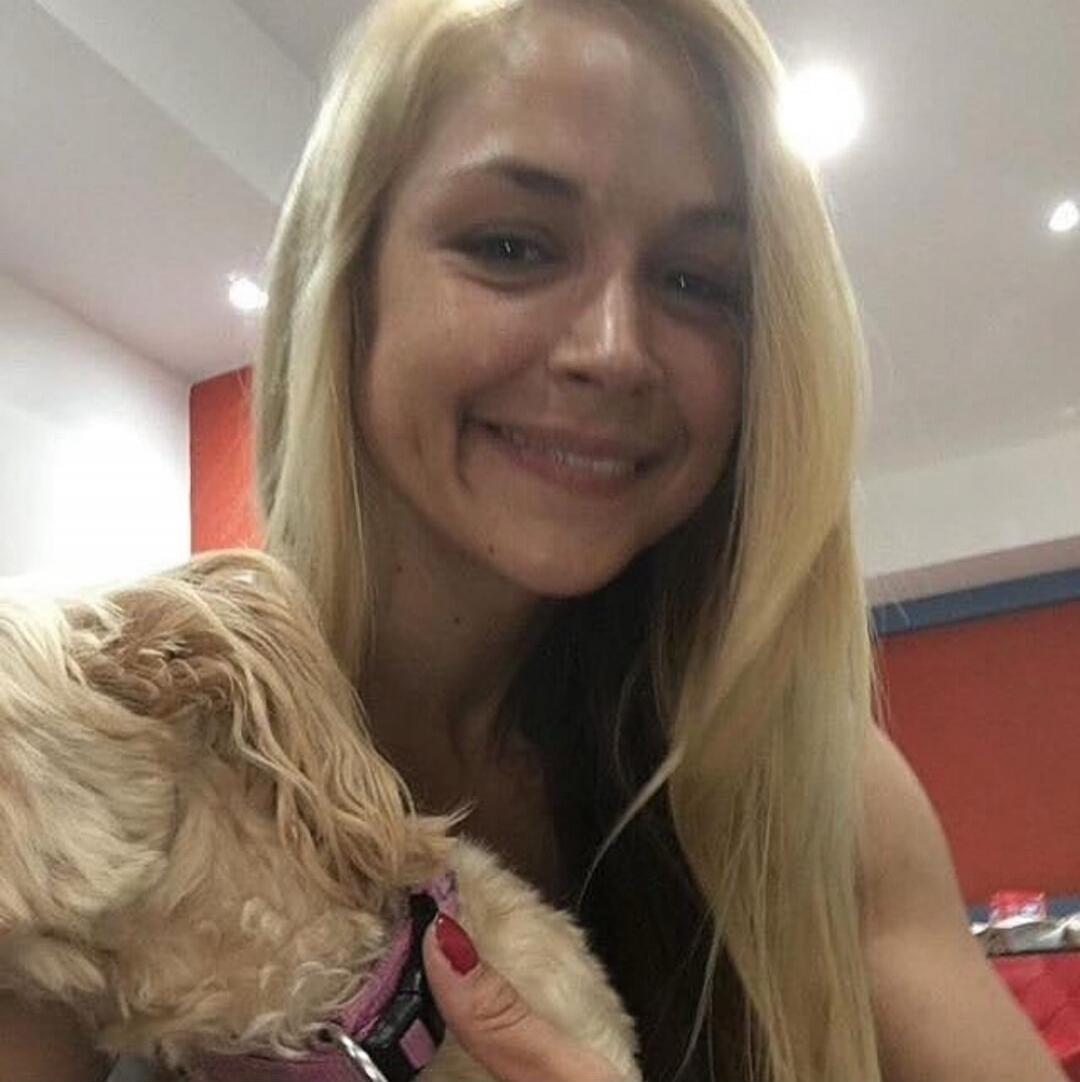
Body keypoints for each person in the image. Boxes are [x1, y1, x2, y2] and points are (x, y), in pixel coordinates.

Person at [0, 0, 1068, 1080]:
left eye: (699, 280)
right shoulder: (82, 754)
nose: (614, 350)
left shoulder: (802, 777)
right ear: (348, 286)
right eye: (511, 244)